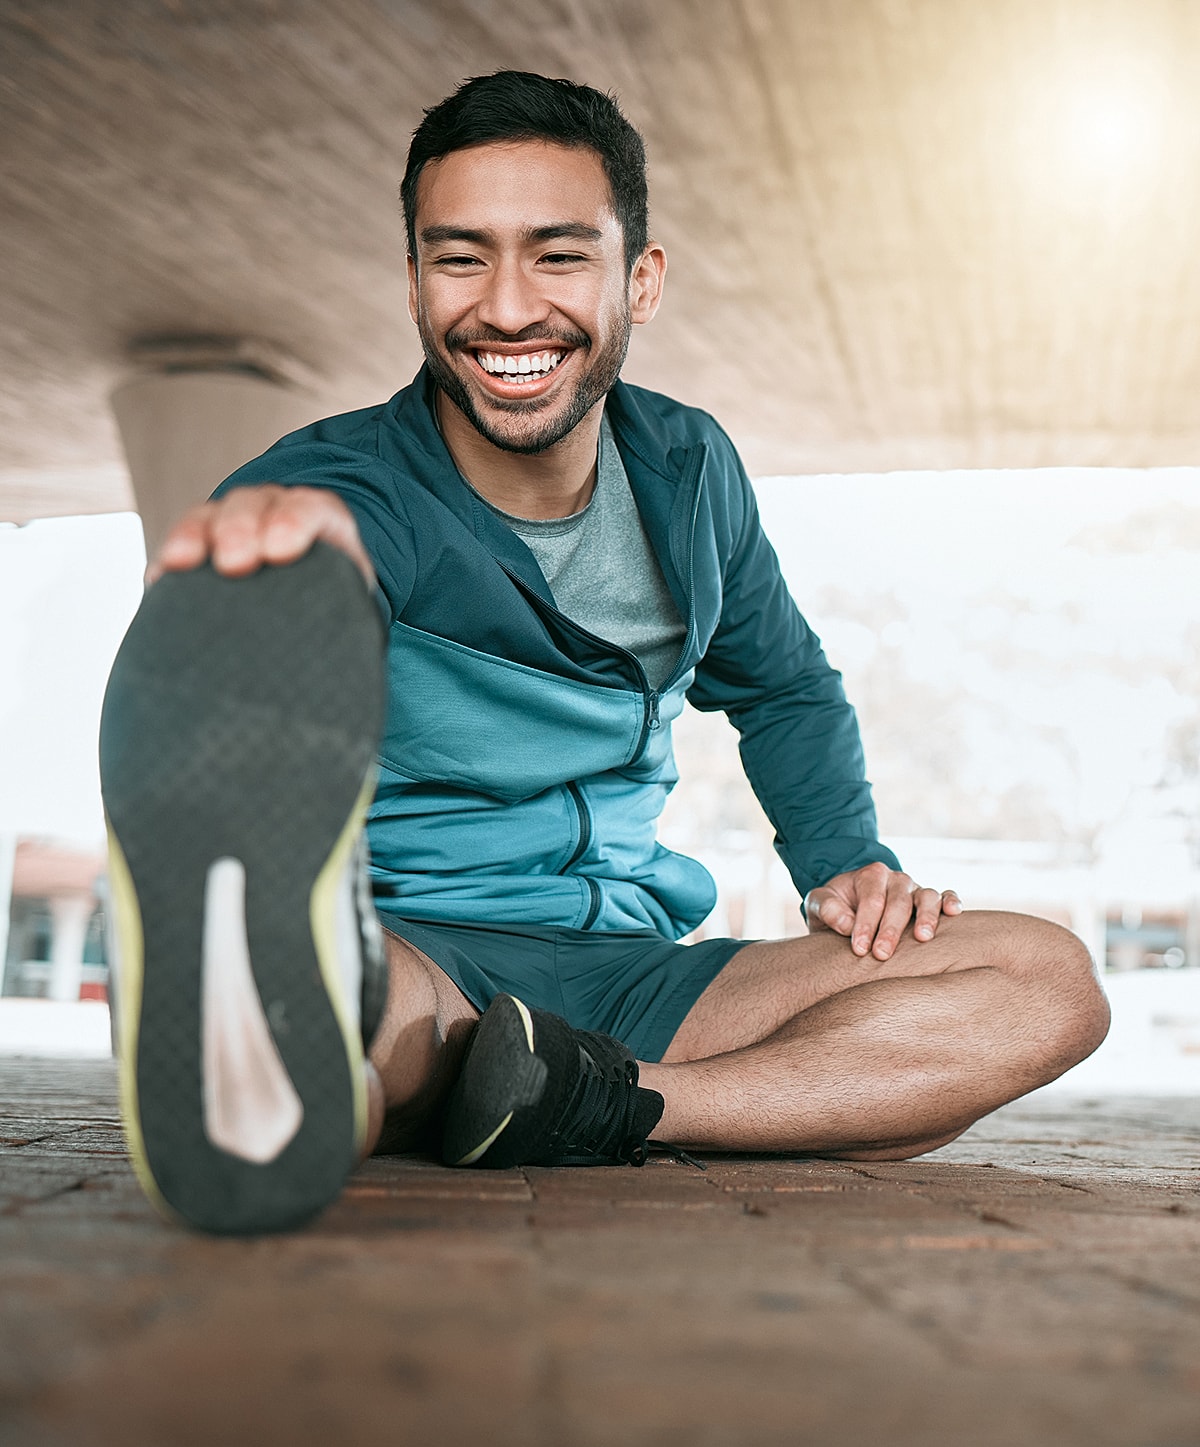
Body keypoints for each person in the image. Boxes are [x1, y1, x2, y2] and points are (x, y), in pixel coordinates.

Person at [99, 71, 1109, 1236]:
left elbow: (782, 683)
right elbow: (253, 644)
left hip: (636, 975)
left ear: (642, 278)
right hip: (419, 951)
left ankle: (591, 1100)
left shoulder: (689, 469)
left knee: (1045, 984)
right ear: (417, 280)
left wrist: (845, 861)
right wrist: (278, 576)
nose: (508, 307)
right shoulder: (343, 490)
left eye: (559, 255)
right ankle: (322, 1046)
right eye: (460, 256)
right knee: (363, 1017)